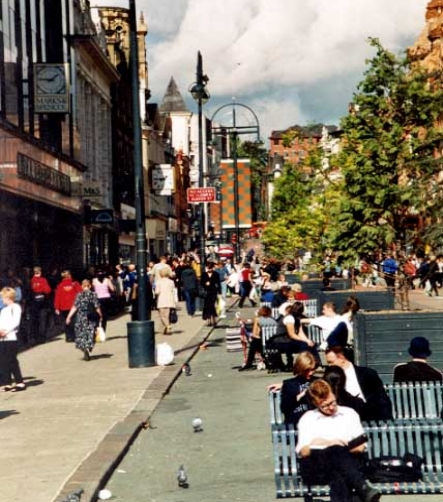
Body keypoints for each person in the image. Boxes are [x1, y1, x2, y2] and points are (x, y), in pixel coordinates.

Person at [296, 379, 381, 502]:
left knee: (338, 470)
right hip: (319, 466)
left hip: (349, 463)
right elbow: (304, 451)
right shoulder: (308, 418)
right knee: (335, 452)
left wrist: (342, 446)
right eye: (324, 406)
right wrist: (328, 443)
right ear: (315, 403)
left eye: (332, 402)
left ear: (334, 395)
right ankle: (363, 488)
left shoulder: (349, 414)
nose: (330, 408)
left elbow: (361, 447)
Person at [325, 345, 393, 422]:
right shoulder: (330, 377)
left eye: (331, 362)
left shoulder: (368, 374)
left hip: (368, 417)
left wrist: (387, 423)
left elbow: (382, 400)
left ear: (341, 358)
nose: (329, 366)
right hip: (343, 419)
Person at [267, 302, 319, 371]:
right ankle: (302, 363)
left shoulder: (297, 319)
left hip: (289, 341)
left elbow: (300, 333)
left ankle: (316, 363)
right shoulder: (289, 318)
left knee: (311, 344)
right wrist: (305, 341)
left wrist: (308, 340)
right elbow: (292, 334)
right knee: (303, 345)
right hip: (282, 341)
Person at [66, 279, 102, 361]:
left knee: (81, 334)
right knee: (91, 333)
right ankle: (89, 347)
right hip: (91, 317)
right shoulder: (93, 294)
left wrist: (69, 317)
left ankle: (84, 348)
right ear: (90, 286)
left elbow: (74, 307)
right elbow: (97, 307)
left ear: (82, 287)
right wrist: (100, 315)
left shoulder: (79, 295)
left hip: (80, 317)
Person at [280, 351, 317, 425]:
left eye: (312, 369)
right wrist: (300, 396)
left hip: (315, 421)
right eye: (307, 370)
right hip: (296, 421)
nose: (311, 373)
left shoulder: (318, 381)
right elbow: (284, 408)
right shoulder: (290, 384)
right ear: (301, 369)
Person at [0, 287, 26, 392]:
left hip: (11, 337)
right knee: (3, 361)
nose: (2, 299)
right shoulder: (4, 310)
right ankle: (6, 382)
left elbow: (16, 322)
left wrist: (6, 331)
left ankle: (19, 381)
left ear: (8, 297)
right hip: (2, 338)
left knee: (12, 360)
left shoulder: (15, 307)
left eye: (3, 297)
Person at [239, 306, 277, 371]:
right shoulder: (273, 320)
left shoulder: (258, 319)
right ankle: (266, 361)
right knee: (259, 343)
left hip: (262, 341)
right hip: (272, 341)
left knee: (254, 344)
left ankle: (249, 364)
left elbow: (254, 333)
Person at [54, 270, 82, 342]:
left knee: (66, 321)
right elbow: (80, 293)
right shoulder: (75, 284)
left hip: (63, 306)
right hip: (74, 306)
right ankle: (74, 336)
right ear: (69, 275)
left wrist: (57, 307)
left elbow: (57, 297)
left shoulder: (59, 286)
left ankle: (68, 336)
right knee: (74, 320)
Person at [30, 266, 52, 344]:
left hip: (33, 302)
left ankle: (35, 337)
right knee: (43, 320)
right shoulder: (43, 280)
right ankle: (42, 338)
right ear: (40, 272)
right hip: (43, 303)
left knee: (35, 320)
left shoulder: (31, 281)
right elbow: (48, 290)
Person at [154, 268, 176, 334]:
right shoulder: (171, 282)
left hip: (161, 299)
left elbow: (157, 291)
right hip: (169, 298)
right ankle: (166, 329)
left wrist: (154, 292)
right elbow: (173, 290)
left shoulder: (159, 282)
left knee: (162, 315)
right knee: (167, 314)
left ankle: (168, 326)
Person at [200, 262, 221, 326]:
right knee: (207, 306)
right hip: (206, 292)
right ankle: (209, 320)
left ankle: (213, 319)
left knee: (212, 305)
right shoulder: (204, 274)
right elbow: (201, 283)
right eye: (208, 268)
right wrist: (205, 284)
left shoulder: (216, 274)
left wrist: (219, 293)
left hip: (213, 292)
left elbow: (218, 283)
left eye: (210, 268)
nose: (209, 269)